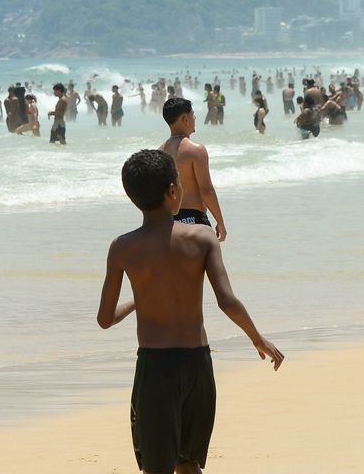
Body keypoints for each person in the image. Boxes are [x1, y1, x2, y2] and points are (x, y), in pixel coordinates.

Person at [96, 149, 283, 474]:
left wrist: (139, 301)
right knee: (190, 464)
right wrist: (258, 338)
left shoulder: (123, 247)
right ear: (173, 191)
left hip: (155, 368)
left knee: (157, 467)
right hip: (197, 364)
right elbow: (227, 301)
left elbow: (105, 318)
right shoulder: (202, 237)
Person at [159, 98, 227, 241]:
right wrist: (220, 221)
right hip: (194, 220)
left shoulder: (160, 152)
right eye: (192, 114)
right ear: (185, 119)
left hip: (169, 223)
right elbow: (206, 190)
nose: (195, 118)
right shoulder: (196, 150)